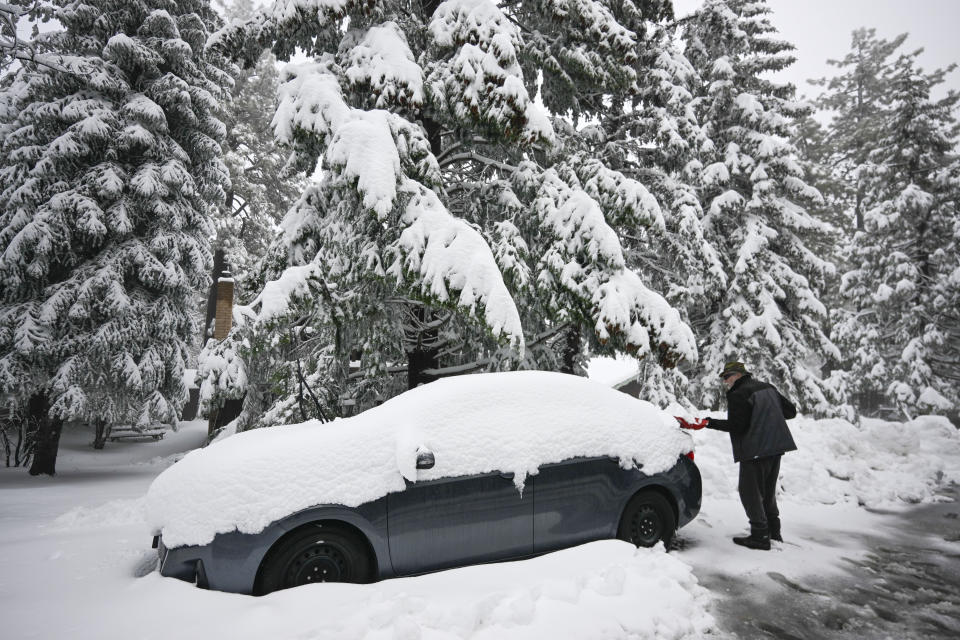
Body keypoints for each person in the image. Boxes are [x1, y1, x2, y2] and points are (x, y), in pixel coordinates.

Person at [677, 361, 797, 550]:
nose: (725, 382)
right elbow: (790, 412)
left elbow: (737, 426)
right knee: (767, 491)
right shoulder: (768, 387)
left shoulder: (739, 393)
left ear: (738, 375)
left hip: (755, 450)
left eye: (727, 377)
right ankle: (774, 532)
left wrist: (708, 422)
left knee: (749, 493)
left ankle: (760, 536)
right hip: (776, 448)